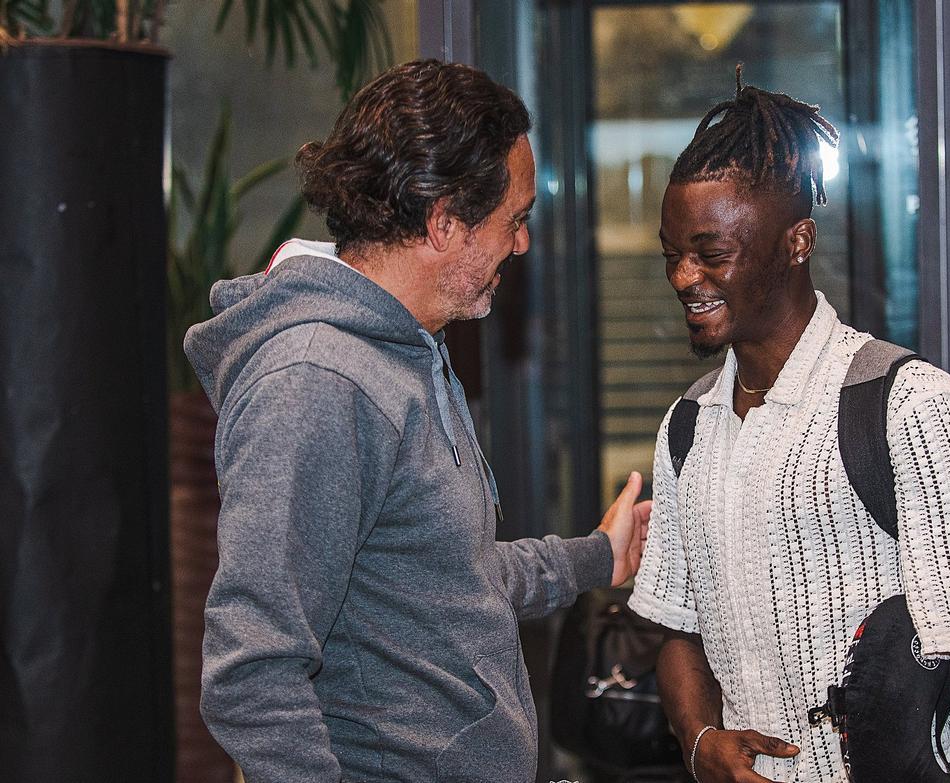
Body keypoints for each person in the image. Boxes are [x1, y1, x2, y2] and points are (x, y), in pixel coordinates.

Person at [184, 59, 651, 783]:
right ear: (444, 222)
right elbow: (253, 676)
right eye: (514, 220)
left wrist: (597, 556)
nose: (521, 244)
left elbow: (446, 579)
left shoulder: (405, 350)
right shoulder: (318, 382)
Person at [628, 73, 950, 783]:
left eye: (711, 254)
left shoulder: (910, 404)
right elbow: (676, 629)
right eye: (672, 255)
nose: (684, 277)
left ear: (798, 242)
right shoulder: (688, 425)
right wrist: (699, 742)